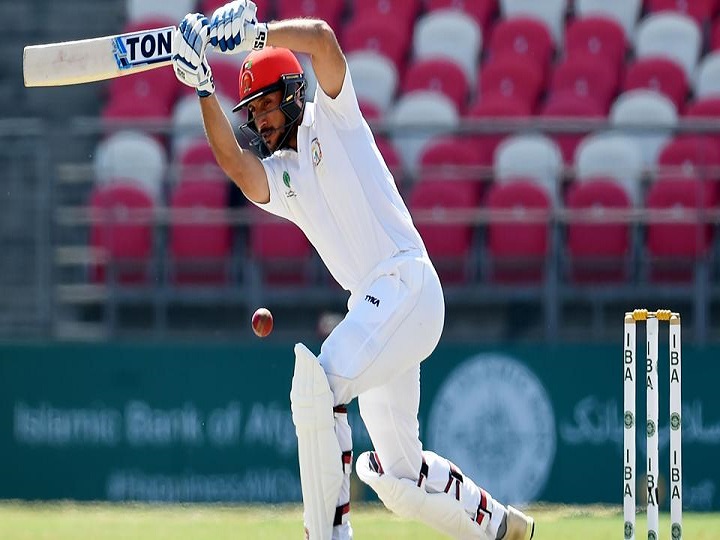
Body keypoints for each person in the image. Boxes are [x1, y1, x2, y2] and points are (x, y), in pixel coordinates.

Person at [171, 2, 535, 539]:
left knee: (319, 384)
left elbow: (320, 38)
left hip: (406, 282)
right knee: (399, 480)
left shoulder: (335, 117)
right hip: (380, 308)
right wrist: (204, 88)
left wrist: (257, 33)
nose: (260, 120)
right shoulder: (282, 180)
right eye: (252, 111)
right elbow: (233, 163)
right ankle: (501, 525)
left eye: (267, 105)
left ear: (294, 94)